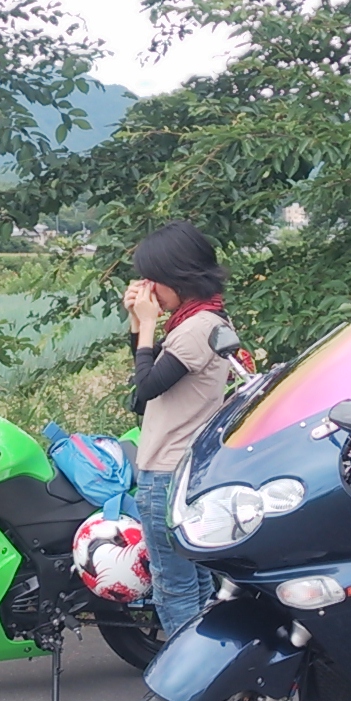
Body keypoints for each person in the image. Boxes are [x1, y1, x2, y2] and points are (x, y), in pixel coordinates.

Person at [124, 220, 244, 634]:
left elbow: (146, 388)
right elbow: (145, 386)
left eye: (152, 280)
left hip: (165, 474)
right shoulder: (205, 320)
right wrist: (138, 325)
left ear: (178, 277)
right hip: (185, 470)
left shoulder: (196, 329)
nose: (149, 290)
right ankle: (207, 662)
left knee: (173, 586)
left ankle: (184, 670)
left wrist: (148, 325)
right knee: (195, 582)